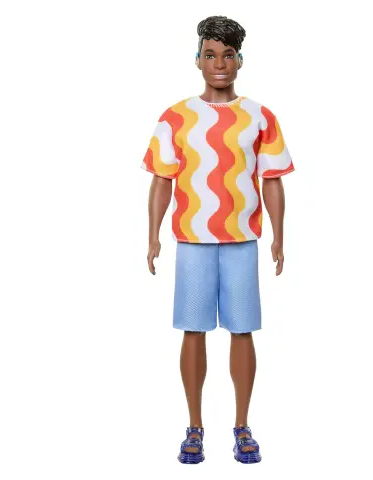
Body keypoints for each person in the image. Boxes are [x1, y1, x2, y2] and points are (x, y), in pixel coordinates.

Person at [140, 15, 295, 464]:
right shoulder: (176, 117)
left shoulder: (260, 117)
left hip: (242, 240)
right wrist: (152, 235)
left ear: (240, 60)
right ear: (197, 59)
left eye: (228, 55)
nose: (220, 64)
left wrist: (279, 237)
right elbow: (161, 179)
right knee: (193, 330)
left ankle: (242, 425)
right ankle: (194, 426)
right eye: (210, 55)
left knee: (242, 331)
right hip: (192, 240)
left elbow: (272, 179)